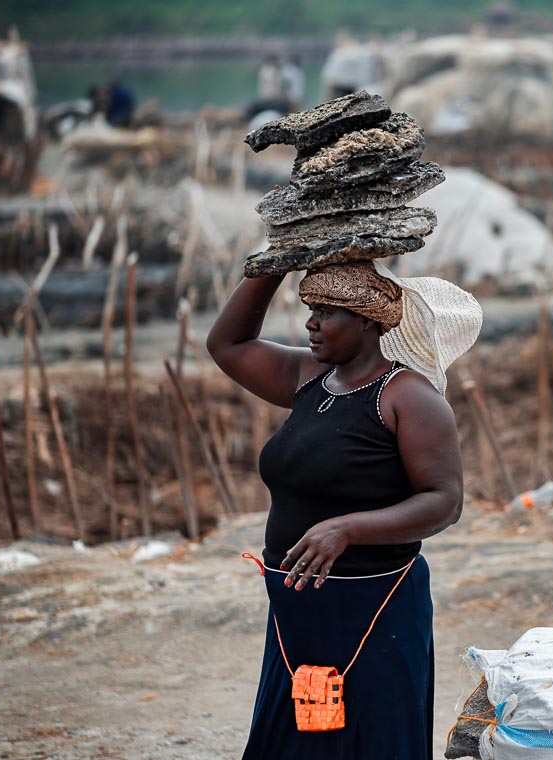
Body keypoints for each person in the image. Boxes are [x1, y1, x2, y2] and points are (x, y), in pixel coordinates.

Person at [206, 260, 482, 759]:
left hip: (375, 609)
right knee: (295, 738)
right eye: (310, 309)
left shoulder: (409, 398)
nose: (311, 323)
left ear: (367, 321)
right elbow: (227, 346)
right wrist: (273, 263)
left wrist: (348, 530)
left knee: (369, 737)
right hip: (298, 607)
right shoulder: (309, 377)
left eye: (327, 312)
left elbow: (445, 501)